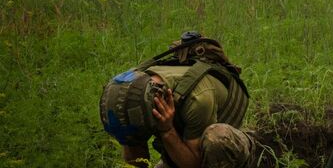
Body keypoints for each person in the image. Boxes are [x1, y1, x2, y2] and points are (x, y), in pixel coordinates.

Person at [99, 32, 265, 168]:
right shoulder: (129, 92)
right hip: (183, 144)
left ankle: (261, 154)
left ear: (160, 102)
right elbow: (136, 160)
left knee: (216, 139)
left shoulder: (198, 99)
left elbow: (194, 165)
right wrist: (131, 140)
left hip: (231, 148)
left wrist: (167, 130)